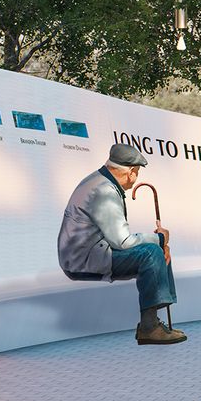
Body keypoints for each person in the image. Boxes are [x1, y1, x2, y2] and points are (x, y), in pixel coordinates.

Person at [57, 142, 185, 345]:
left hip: (82, 254)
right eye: (137, 173)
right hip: (83, 260)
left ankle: (152, 322)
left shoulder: (97, 181)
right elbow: (123, 241)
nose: (135, 179)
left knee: (155, 251)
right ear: (131, 172)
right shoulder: (105, 191)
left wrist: (160, 246)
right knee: (151, 253)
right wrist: (160, 239)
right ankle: (150, 327)